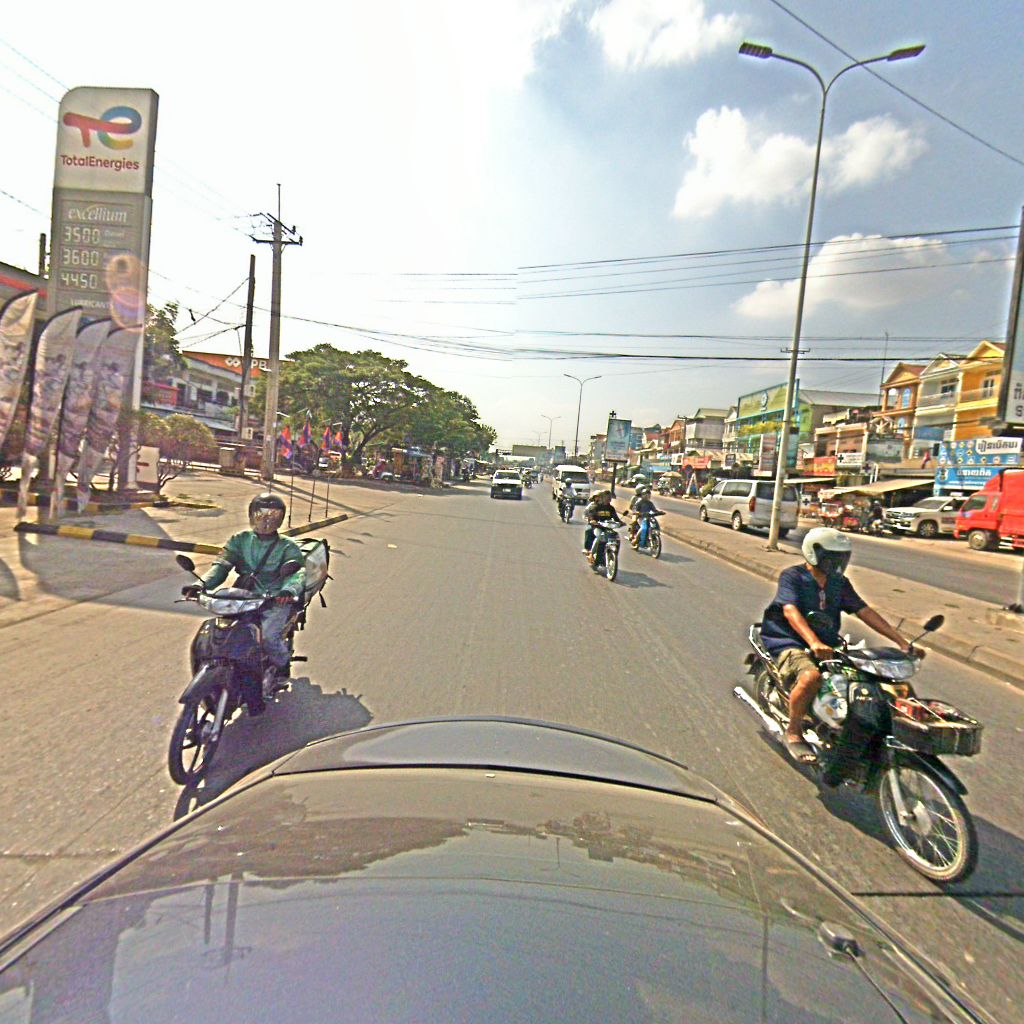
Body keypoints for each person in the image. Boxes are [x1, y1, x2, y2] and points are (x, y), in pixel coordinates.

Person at [760, 527, 918, 764]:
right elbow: (790, 610)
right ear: (814, 553)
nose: (838, 563)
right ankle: (793, 731)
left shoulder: (839, 583)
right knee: (811, 677)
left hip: (827, 642)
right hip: (787, 639)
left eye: (842, 557)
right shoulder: (793, 577)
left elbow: (864, 611)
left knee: (862, 678)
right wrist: (813, 642)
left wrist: (901, 641)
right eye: (832, 557)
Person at [183, 493, 306, 697]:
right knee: (222, 631)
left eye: (273, 515)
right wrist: (200, 585)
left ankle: (282, 668)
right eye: (261, 514)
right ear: (251, 515)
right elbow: (220, 567)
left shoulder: (287, 546)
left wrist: (288, 591)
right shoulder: (240, 540)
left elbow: (297, 574)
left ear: (281, 518)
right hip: (243, 596)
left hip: (274, 598)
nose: (266, 520)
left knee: (268, 637)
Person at [583, 489, 624, 561]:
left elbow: (616, 518)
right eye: (606, 497)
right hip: (597, 527)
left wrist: (621, 523)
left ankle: (613, 554)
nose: (608, 499)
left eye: (609, 497)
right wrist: (593, 521)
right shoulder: (595, 507)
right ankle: (591, 554)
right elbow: (591, 517)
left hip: (608, 528)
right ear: (602, 498)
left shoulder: (611, 508)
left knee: (616, 537)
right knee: (600, 536)